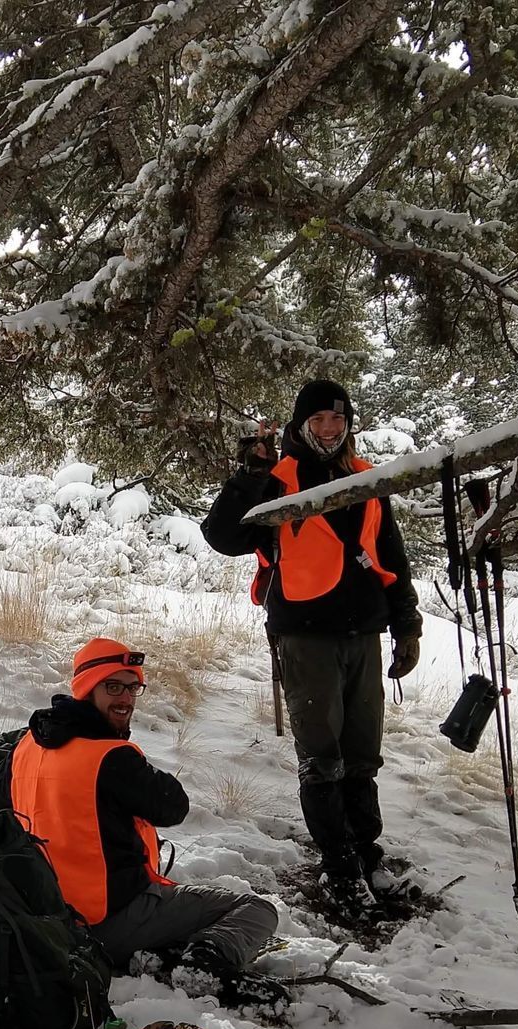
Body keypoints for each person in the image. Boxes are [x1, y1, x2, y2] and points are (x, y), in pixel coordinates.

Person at [201, 378, 422, 919]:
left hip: (363, 633)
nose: (329, 429)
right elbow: (224, 537)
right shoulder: (276, 479)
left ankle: (367, 852)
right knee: (323, 759)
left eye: (338, 420)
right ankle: (339, 865)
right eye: (319, 420)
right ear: (302, 425)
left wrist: (406, 622)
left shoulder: (366, 475)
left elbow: (389, 550)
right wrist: (250, 475)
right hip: (305, 634)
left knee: (362, 754)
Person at [0, 638, 281, 1001]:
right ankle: (204, 965)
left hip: (50, 922)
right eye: (112, 686)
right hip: (109, 921)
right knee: (255, 909)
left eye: (132, 687)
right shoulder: (109, 757)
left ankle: (161, 956)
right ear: (86, 689)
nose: (125, 698)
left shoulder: (26, 747)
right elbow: (173, 807)